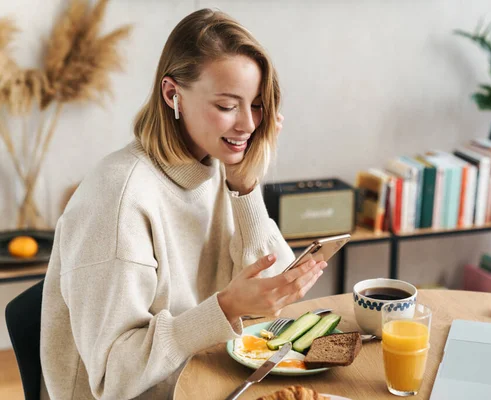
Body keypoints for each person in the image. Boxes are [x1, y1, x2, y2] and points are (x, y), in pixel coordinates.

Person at [40, 8, 327, 400]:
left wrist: (246, 189)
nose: (248, 125)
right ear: (172, 94)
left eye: (257, 105)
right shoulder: (119, 200)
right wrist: (224, 309)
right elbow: (112, 378)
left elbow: (267, 300)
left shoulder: (217, 167)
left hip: (207, 381)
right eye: (228, 106)